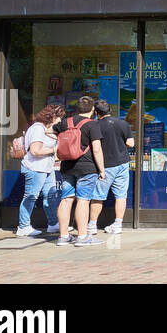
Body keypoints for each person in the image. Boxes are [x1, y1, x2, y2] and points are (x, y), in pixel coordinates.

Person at [54, 95, 107, 247]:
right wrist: (102, 170)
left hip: (66, 167)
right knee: (83, 200)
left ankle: (63, 236)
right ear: (92, 109)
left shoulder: (65, 123)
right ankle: (82, 237)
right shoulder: (92, 125)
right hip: (87, 167)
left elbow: (49, 131)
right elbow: (96, 149)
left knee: (66, 199)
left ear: (77, 108)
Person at [16, 103, 66, 237]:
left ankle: (53, 224)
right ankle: (23, 226)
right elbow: (35, 151)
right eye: (59, 117)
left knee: (50, 195)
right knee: (31, 196)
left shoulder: (44, 129)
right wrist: (54, 150)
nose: (60, 120)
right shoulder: (37, 128)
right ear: (52, 116)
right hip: (35, 168)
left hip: (46, 168)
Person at [88, 99, 135, 235]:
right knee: (121, 195)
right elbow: (131, 143)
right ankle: (118, 224)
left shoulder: (94, 125)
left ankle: (92, 225)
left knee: (98, 196)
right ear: (110, 110)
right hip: (122, 163)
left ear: (96, 113)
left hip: (105, 165)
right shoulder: (122, 123)